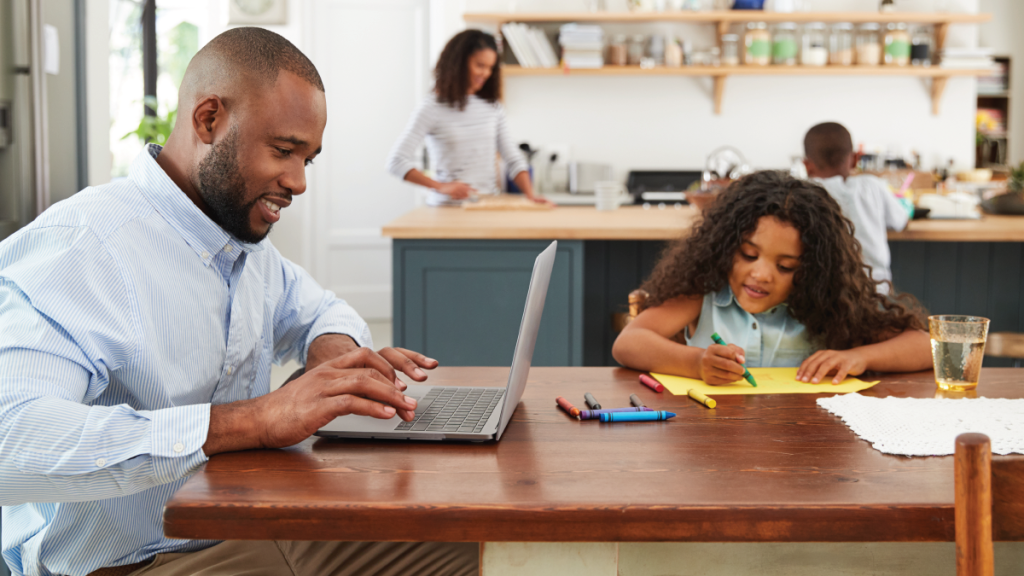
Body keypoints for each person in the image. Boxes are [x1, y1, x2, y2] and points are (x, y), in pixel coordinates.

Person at [0, 28, 477, 576]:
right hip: (137, 563)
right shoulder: (82, 247)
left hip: (243, 530)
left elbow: (323, 311)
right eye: (283, 151)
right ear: (209, 121)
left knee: (483, 551)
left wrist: (336, 358)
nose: (298, 182)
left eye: (309, 160)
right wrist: (252, 420)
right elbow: (10, 442)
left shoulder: (238, 243)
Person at [611, 171, 931, 386]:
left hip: (801, 451)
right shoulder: (704, 293)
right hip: (710, 449)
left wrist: (860, 356)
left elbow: (928, 346)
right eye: (749, 255)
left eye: (786, 266)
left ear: (813, 270)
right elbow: (629, 343)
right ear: (724, 247)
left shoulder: (829, 304)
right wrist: (696, 363)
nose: (761, 275)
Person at [386, 29, 550, 206]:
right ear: (458, 63)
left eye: (490, 68)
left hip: (485, 206)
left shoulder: (492, 107)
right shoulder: (432, 107)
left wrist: (530, 194)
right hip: (447, 209)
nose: (486, 73)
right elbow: (396, 161)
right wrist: (440, 186)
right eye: (480, 65)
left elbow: (512, 158)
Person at [803, 122, 911, 290]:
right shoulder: (873, 186)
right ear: (855, 159)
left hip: (824, 294)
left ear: (807, 165)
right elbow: (901, 220)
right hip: (876, 290)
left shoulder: (803, 193)